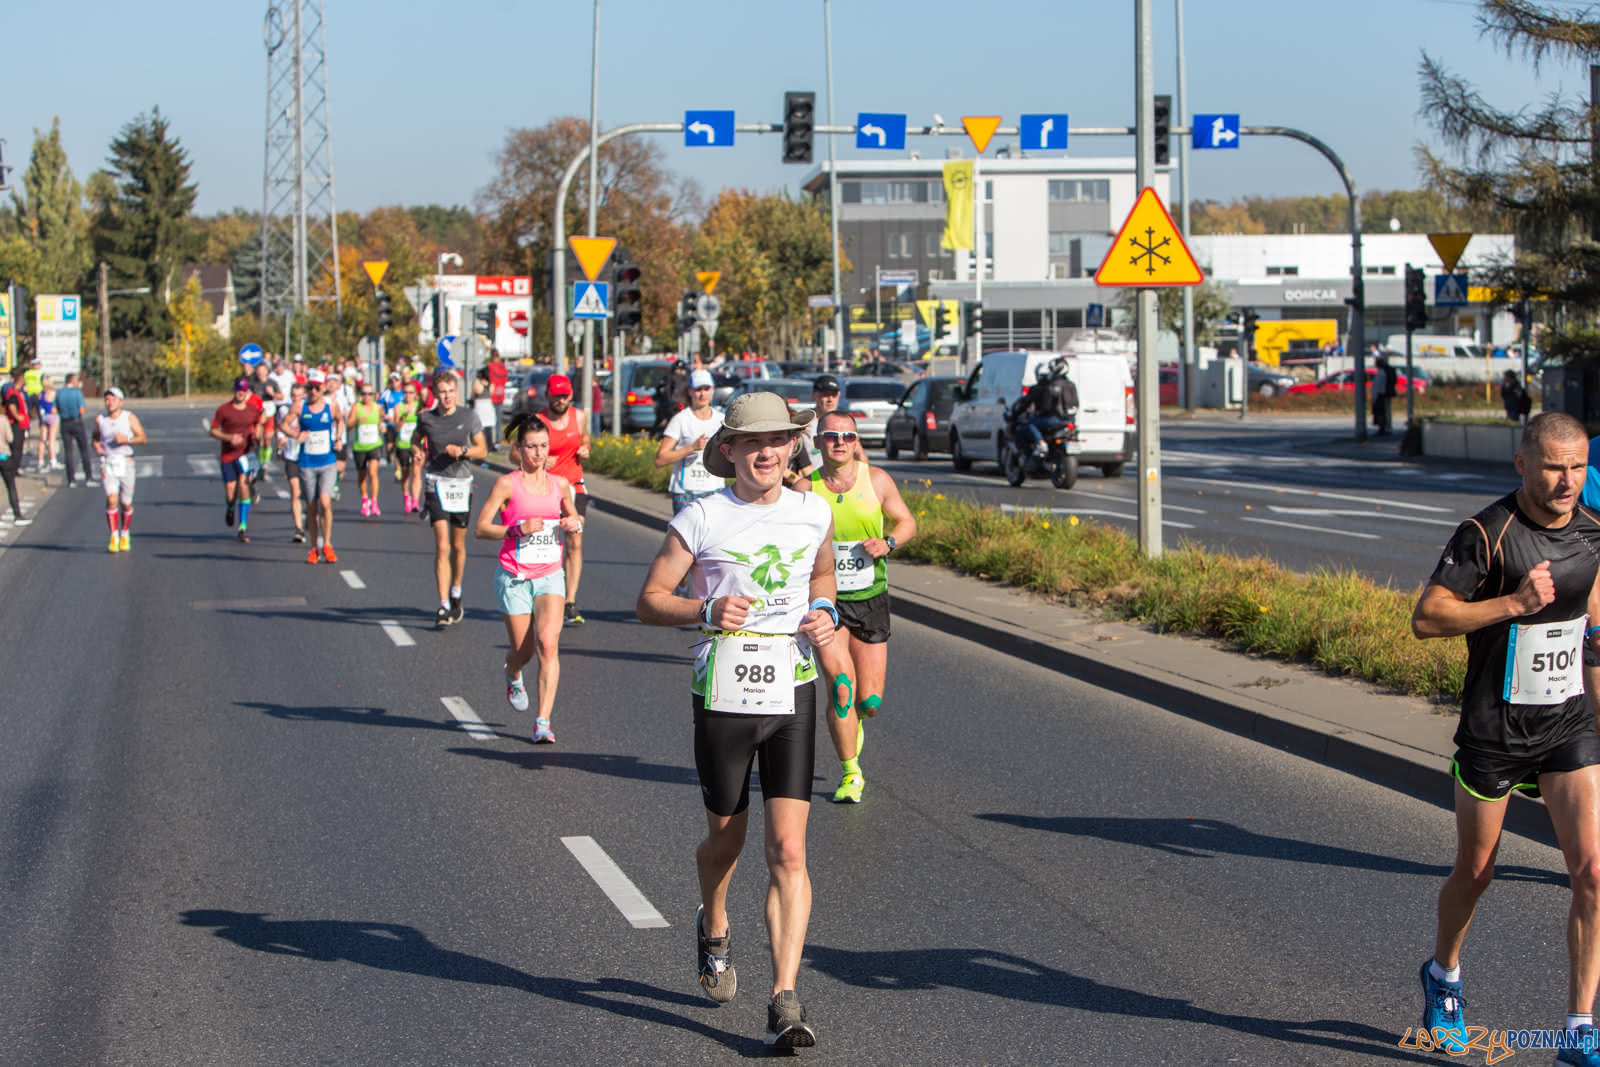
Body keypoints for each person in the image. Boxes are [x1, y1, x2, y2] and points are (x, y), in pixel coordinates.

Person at [635, 391, 838, 1050]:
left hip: (792, 686)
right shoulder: (702, 517)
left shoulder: (814, 510)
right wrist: (704, 610)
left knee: (789, 849)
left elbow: (825, 574)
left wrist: (825, 612)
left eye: (778, 441)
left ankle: (785, 995)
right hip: (722, 691)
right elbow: (649, 600)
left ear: (792, 447)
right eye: (753, 443)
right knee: (727, 842)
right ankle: (714, 922)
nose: (767, 452)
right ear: (730, 449)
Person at [1411, 411, 1600, 1062]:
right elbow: (1427, 616)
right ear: (1522, 464)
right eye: (1553, 466)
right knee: (1477, 871)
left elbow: (1591, 610)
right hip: (1495, 729)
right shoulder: (1487, 534)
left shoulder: (1594, 532)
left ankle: (1579, 1026)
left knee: (1595, 872)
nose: (1566, 480)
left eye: (1576, 467)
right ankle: (1445, 974)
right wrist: (1512, 605)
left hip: (1566, 724)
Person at [797, 411, 917, 804]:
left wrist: (889, 543)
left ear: (856, 441)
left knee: (869, 701)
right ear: (818, 442)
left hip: (870, 598)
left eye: (848, 436)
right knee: (841, 690)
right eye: (831, 436)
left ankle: (854, 725)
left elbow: (906, 522)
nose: (840, 443)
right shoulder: (805, 488)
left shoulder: (876, 480)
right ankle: (851, 772)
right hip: (825, 601)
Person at [474, 413, 584, 743]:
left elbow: (572, 516)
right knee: (523, 651)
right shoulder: (507, 484)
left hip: (550, 574)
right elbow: (480, 528)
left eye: (544, 447)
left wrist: (572, 523)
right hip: (514, 577)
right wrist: (516, 528)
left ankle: (543, 721)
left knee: (548, 644)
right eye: (532, 447)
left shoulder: (559, 484)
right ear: (519, 448)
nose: (539, 454)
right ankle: (513, 671)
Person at [417, 369, 488, 628]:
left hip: (461, 484)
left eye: (450, 392)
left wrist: (463, 451)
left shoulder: (468, 417)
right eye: (442, 393)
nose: (446, 397)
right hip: (436, 483)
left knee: (458, 546)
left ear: (457, 392)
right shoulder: (426, 419)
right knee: (442, 545)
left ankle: (456, 589)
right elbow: (417, 439)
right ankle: (443, 604)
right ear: (435, 394)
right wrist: (417, 452)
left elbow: (483, 450)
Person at [537, 374, 591, 626]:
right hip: (546, 488)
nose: (561, 400)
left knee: (575, 541)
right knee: (548, 545)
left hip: (574, 486)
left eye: (565, 395)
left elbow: (586, 439)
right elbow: (515, 454)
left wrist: (586, 449)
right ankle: (548, 596)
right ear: (547, 395)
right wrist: (538, 460)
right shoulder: (537, 422)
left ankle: (570, 601)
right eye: (556, 395)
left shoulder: (579, 417)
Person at [285, 369, 342, 563]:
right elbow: (283, 425)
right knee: (311, 506)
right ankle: (313, 548)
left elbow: (340, 420)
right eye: (310, 388)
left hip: (327, 462)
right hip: (307, 463)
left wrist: (339, 438)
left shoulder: (331, 406)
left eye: (317, 388)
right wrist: (295, 435)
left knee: (325, 502)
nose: (313, 392)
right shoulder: (300, 407)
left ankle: (327, 544)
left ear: (323, 388)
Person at [655, 368, 726, 512]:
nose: (702, 394)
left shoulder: (721, 420)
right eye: (698, 389)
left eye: (706, 389)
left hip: (714, 491)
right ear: (690, 391)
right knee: (685, 535)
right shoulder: (680, 420)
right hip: (685, 492)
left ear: (713, 390)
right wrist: (691, 448)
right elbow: (660, 459)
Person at [210, 377, 265, 544]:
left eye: (244, 390)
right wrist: (228, 437)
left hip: (247, 454)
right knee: (230, 490)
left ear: (248, 392)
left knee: (244, 485)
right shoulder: (224, 410)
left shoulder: (252, 409)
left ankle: (242, 527)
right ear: (234, 390)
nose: (241, 393)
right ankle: (230, 507)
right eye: (238, 390)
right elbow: (212, 431)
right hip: (228, 455)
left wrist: (258, 433)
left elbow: (259, 425)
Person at [94, 387, 146, 550]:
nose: (109, 403)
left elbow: (143, 438)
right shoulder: (100, 419)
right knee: (111, 499)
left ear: (121, 401)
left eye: (113, 399)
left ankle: (124, 532)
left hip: (126, 461)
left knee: (126, 503)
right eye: (107, 399)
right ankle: (113, 536)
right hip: (108, 462)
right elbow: (95, 438)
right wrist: (96, 446)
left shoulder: (129, 418)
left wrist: (127, 439)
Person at [1011, 358, 1079, 458]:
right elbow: (1076, 404)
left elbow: (1046, 406)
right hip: (1070, 420)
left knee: (1030, 423)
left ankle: (1040, 443)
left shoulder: (1051, 385)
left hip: (1055, 419)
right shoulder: (1071, 385)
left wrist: (1039, 412)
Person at [785, 374, 843, 486]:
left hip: (837, 483)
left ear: (839, 395)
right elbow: (805, 468)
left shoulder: (845, 423)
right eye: (825, 395)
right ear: (814, 395)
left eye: (834, 395)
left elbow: (860, 459)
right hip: (812, 484)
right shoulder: (804, 422)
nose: (830, 399)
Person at [347, 383, 386, 517]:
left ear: (374, 395)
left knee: (373, 473)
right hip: (360, 446)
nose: (367, 396)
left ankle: (374, 502)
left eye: (370, 394)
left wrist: (382, 426)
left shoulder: (377, 408)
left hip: (374, 445)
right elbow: (348, 425)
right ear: (360, 395)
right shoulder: (356, 408)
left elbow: (381, 421)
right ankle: (365, 500)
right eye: (364, 394)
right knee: (362, 474)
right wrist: (357, 420)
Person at [278, 381, 308, 543]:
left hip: (309, 456)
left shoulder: (310, 409)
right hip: (291, 455)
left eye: (299, 396)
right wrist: (282, 439)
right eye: (293, 396)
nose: (296, 399)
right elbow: (280, 427)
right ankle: (299, 528)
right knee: (295, 491)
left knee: (311, 494)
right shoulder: (284, 410)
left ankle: (310, 515)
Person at [390, 379, 423, 513]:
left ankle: (415, 501)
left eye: (411, 393)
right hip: (403, 444)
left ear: (416, 394)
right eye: (405, 393)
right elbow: (397, 428)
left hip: (416, 445)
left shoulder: (419, 406)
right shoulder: (399, 407)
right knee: (405, 474)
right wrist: (404, 416)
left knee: (416, 472)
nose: (408, 395)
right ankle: (406, 497)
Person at [56, 372, 94, 487]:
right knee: (84, 450)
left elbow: (56, 407)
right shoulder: (77, 393)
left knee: (68, 452)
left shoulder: (60, 393)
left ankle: (71, 479)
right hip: (76, 422)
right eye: (76, 380)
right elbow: (81, 410)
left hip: (64, 422)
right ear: (72, 380)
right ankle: (88, 477)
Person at [35, 375, 59, 471]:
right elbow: (54, 408)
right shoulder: (53, 393)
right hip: (52, 417)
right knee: (51, 440)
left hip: (43, 417)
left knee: (42, 440)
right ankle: (53, 460)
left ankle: (40, 461)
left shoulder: (40, 394)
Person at [0, 404, 19, 527]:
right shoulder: (3, 420)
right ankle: (17, 514)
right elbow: (10, 438)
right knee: (10, 486)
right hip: (4, 456)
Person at [1371, 354, 1394, 435]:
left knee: (1382, 412)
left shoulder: (1382, 372)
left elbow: (1379, 385)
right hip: (1385, 393)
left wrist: (1376, 395)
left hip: (1382, 394)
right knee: (1386, 411)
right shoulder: (1389, 370)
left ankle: (1385, 428)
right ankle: (1387, 427)